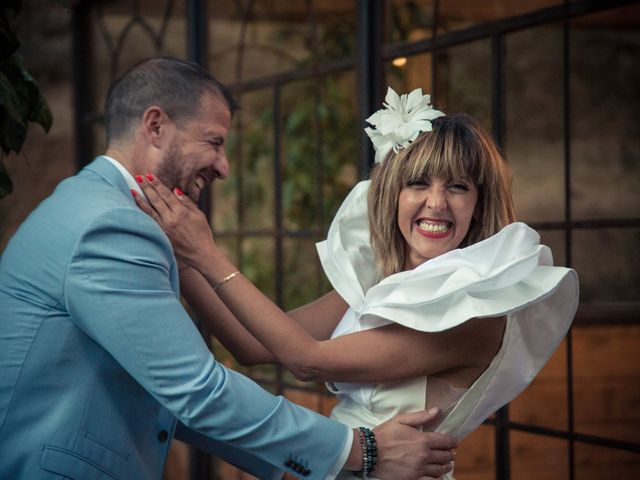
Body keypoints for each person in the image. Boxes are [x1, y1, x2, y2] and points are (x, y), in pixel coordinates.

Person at [0, 59, 459, 480]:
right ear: (155, 126)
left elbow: (172, 388)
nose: (223, 166)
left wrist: (322, 459)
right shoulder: (111, 226)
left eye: (456, 187)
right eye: (214, 142)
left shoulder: (99, 209)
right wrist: (361, 450)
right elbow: (196, 388)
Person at [135, 86, 579, 479]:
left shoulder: (476, 310)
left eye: (458, 187)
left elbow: (307, 360)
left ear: (478, 205)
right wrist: (184, 256)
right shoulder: (378, 283)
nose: (436, 203)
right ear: (392, 193)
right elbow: (252, 347)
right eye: (418, 183)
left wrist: (207, 254)